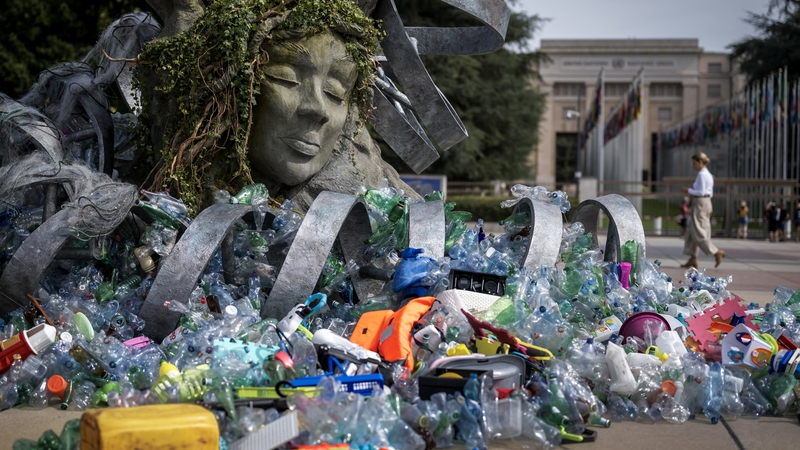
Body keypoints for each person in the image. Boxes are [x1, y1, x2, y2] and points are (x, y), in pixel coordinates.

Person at [680, 152, 725, 268]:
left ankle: (716, 252)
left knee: (699, 231)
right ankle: (693, 258)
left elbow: (701, 192)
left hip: (701, 203)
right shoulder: (708, 174)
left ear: (700, 162)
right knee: (692, 229)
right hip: (704, 203)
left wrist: (688, 190)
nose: (693, 165)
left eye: (694, 163)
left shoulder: (701, 175)